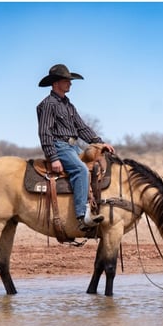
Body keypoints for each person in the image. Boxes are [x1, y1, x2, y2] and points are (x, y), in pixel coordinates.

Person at [36, 64, 115, 230]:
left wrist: (100, 143)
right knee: (81, 170)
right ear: (56, 83)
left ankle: (95, 206)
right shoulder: (48, 104)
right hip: (59, 146)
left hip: (73, 146)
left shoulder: (68, 105)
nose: (70, 84)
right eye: (67, 81)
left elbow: (82, 128)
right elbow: (45, 133)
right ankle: (82, 216)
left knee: (95, 167)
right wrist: (53, 157)